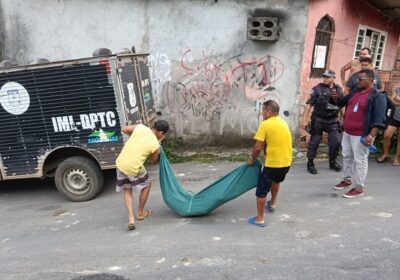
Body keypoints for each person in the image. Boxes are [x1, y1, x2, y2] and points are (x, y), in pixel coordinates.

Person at [333, 69, 387, 198]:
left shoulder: (378, 96)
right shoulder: (356, 92)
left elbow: (379, 120)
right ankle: (347, 180)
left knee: (360, 160)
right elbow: (341, 102)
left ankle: (358, 188)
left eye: (361, 79)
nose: (358, 81)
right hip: (348, 132)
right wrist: (334, 96)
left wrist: (371, 135)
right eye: (358, 78)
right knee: (347, 156)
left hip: (362, 135)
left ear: (370, 80)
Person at [115, 120, 169, 230]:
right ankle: (140, 213)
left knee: (127, 189)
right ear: (161, 133)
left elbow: (124, 129)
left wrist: (134, 138)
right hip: (133, 166)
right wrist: (158, 143)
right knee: (147, 184)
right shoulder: (155, 145)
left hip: (121, 163)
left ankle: (131, 219)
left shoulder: (140, 127)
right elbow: (153, 162)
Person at [247, 100, 292, 227]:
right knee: (276, 181)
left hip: (272, 164)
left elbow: (257, 147)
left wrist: (251, 159)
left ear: (268, 111)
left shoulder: (265, 124)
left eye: (263, 111)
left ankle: (260, 219)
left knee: (261, 191)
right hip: (286, 162)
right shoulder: (283, 123)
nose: (262, 114)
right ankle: (272, 203)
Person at [302, 69, 343, 174]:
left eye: (328, 77)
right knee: (314, 141)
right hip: (318, 118)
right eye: (324, 77)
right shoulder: (317, 89)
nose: (325, 79)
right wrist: (305, 119)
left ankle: (332, 161)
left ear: (333, 78)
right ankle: (310, 163)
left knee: (335, 141)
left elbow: (341, 105)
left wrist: (345, 118)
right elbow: (309, 103)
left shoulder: (338, 90)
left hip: (332, 119)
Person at [376, 87, 400, 166]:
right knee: (386, 135)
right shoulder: (397, 89)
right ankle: (386, 154)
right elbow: (390, 100)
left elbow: (395, 100)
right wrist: (395, 100)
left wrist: (397, 100)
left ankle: (397, 158)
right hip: (395, 117)